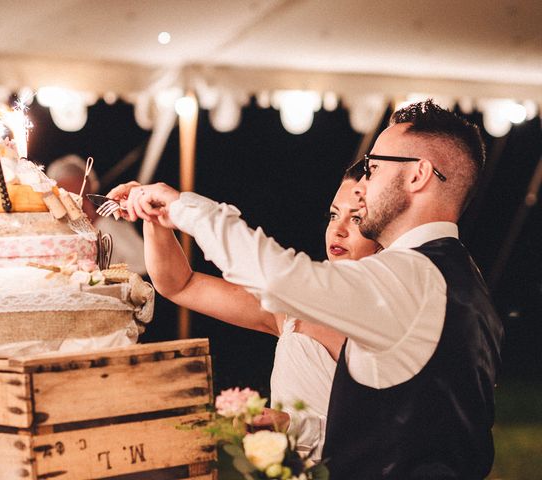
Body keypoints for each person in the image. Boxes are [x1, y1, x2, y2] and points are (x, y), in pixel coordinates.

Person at [109, 100, 503, 479]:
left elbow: (278, 277)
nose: (367, 180)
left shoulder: (411, 276)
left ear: (417, 175)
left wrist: (182, 207)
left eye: (374, 166)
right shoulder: (463, 282)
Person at [115, 167, 379, 462]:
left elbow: (391, 438)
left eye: (357, 218)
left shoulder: (399, 320)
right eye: (334, 215)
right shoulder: (294, 306)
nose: (339, 229)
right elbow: (180, 284)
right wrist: (154, 219)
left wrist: (292, 427)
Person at [46, 155, 147, 275]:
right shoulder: (47, 232)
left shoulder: (108, 227)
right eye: (70, 199)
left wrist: (98, 222)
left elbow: (143, 264)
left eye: (85, 196)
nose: (79, 205)